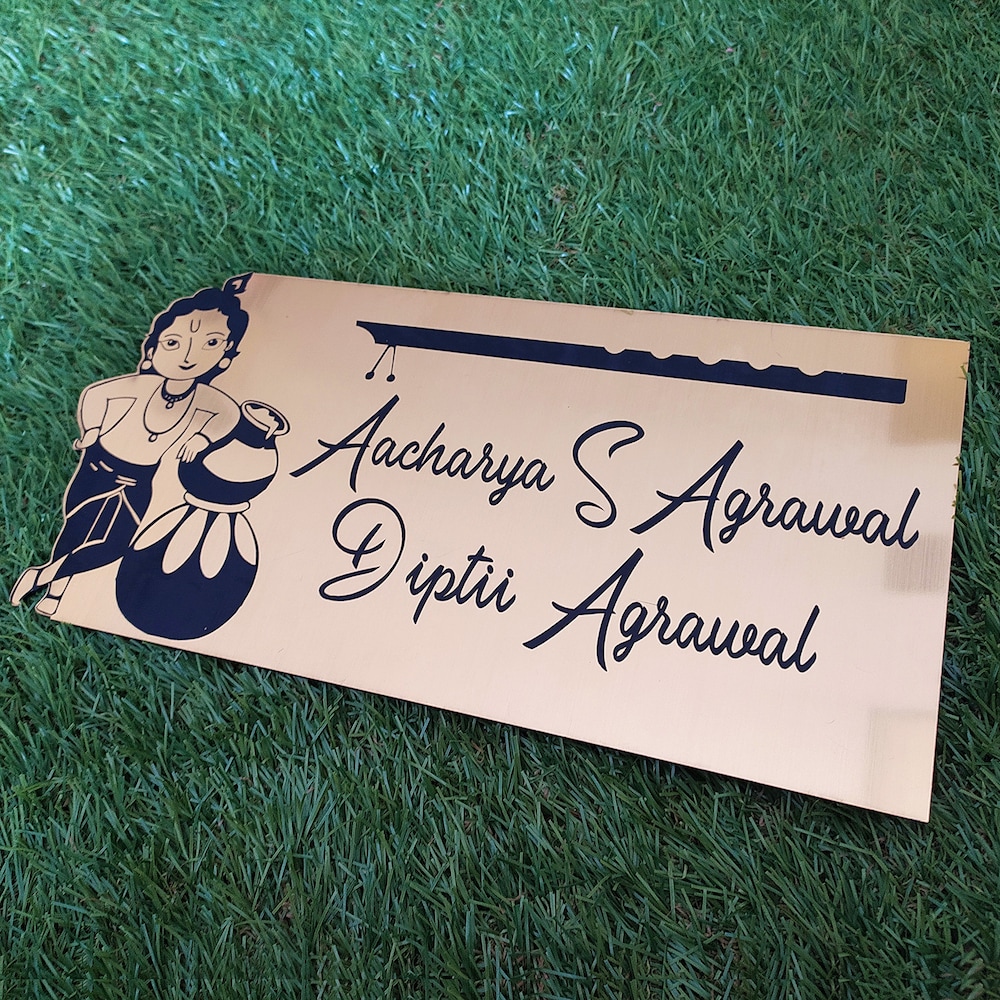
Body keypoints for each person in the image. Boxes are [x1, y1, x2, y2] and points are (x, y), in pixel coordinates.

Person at [10, 274, 252, 617]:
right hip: (99, 466)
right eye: (173, 343)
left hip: (140, 479)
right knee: (77, 530)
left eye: (211, 343)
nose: (188, 356)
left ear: (226, 356)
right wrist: (93, 430)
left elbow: (229, 415)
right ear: (151, 351)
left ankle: (41, 575)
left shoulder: (207, 399)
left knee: (115, 545)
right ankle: (55, 593)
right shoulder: (134, 388)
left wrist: (203, 438)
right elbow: (96, 396)